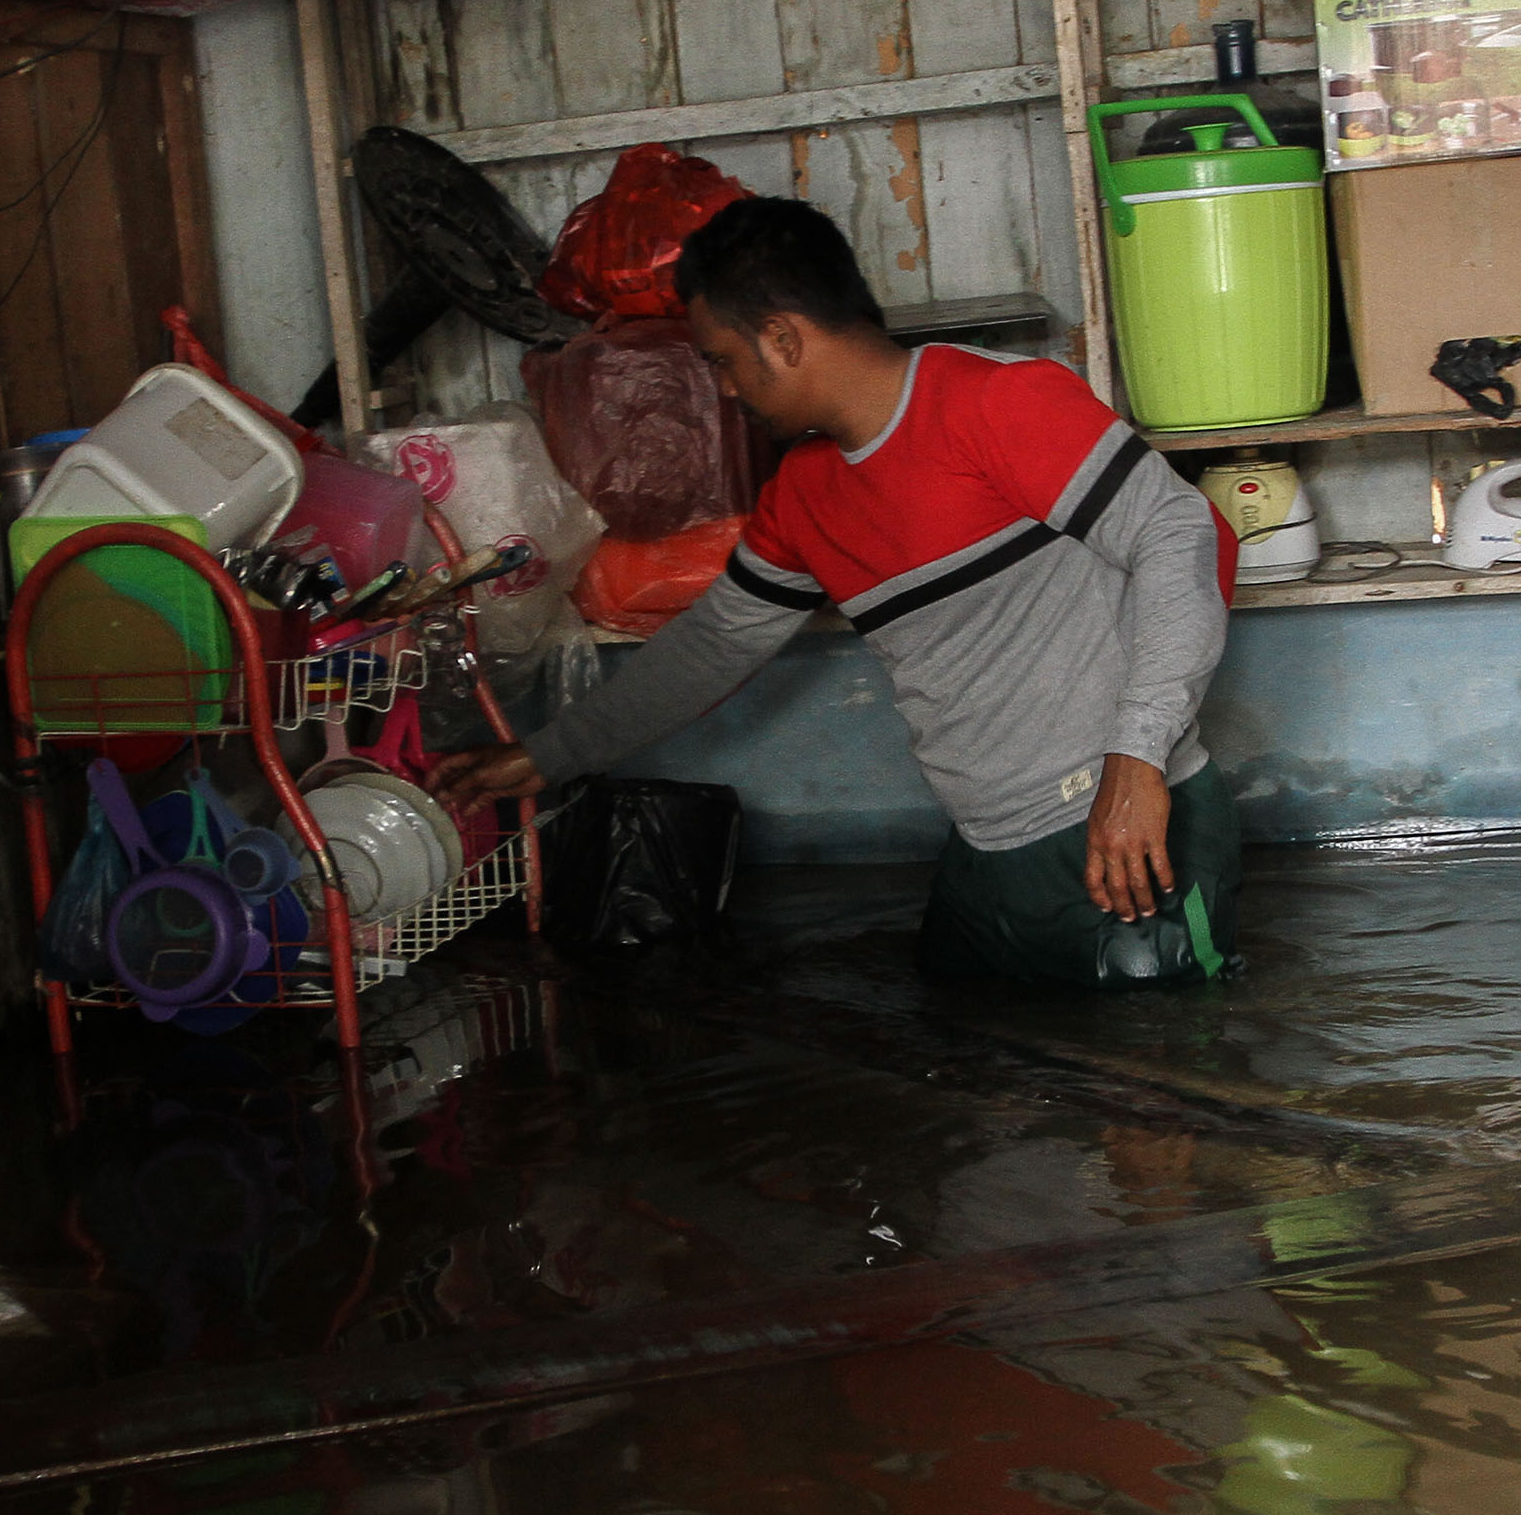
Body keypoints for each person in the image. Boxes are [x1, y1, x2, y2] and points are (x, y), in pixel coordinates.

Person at [430, 197, 1241, 988]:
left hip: (1125, 828)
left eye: (721, 360)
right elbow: (711, 647)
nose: (723, 390)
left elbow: (1182, 534)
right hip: (985, 850)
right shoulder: (803, 495)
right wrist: (549, 755)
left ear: (782, 339)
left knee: (1159, 1061)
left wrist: (1137, 761)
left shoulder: (996, 401)